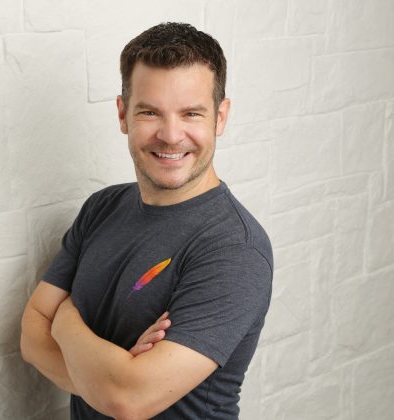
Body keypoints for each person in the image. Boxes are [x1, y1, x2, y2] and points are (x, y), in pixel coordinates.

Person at [20, 22, 273, 419]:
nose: (171, 135)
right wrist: (108, 382)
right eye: (150, 112)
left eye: (191, 113)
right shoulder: (102, 208)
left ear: (220, 117)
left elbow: (129, 400)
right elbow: (32, 337)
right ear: (123, 114)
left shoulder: (233, 248)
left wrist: (65, 320)